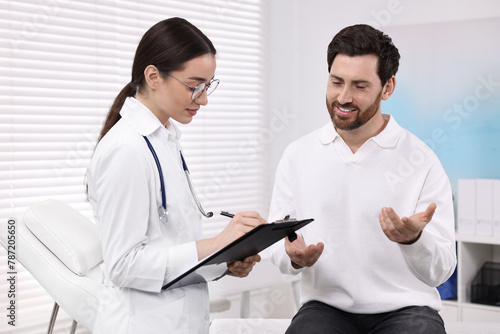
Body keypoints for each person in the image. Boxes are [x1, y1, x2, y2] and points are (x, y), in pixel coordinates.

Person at [269, 24, 456, 334]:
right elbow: (279, 246)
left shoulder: (421, 160)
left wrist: (413, 241)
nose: (343, 97)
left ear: (388, 87)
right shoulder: (297, 155)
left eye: (359, 85)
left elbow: (441, 270)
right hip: (326, 307)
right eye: (336, 82)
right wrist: (293, 257)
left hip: (407, 308)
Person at [86, 17, 266, 334]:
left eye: (208, 85)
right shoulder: (126, 150)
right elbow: (123, 265)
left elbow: (171, 251)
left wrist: (224, 260)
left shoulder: (165, 141)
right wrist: (217, 243)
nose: (204, 98)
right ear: (153, 76)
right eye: (194, 85)